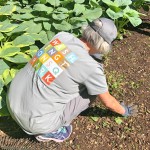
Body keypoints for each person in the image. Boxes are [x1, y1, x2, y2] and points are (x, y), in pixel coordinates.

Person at [6, 17, 138, 143]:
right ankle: (48, 132)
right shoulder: (91, 68)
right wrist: (124, 111)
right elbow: (108, 102)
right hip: (35, 122)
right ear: (103, 45)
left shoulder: (62, 36)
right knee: (91, 92)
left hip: (12, 101)